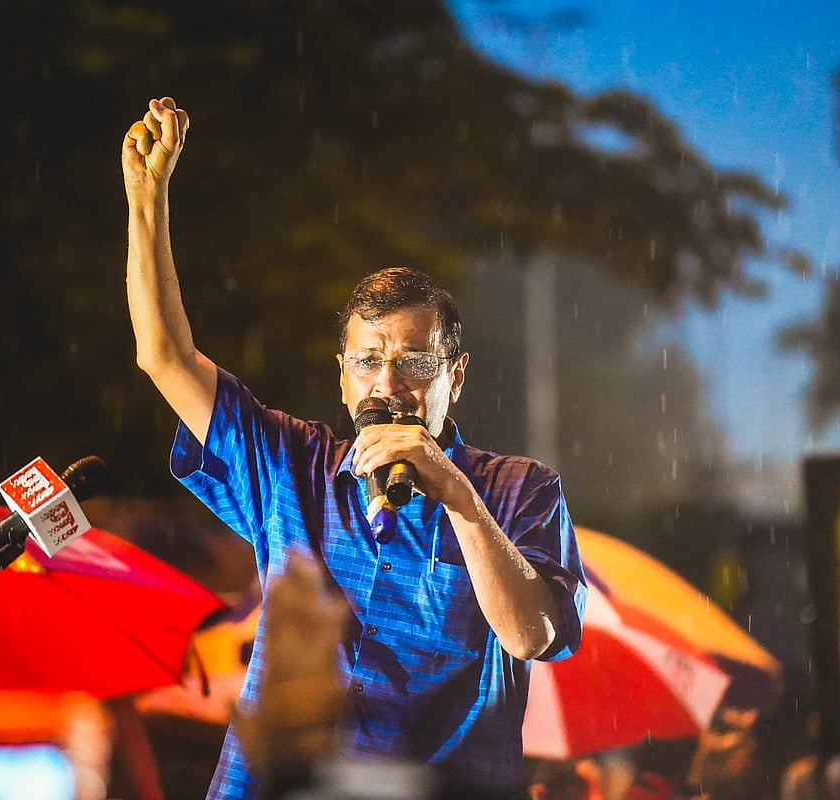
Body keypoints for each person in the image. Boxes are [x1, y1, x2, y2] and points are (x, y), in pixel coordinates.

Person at [120, 96, 587, 800]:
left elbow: (532, 636)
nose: (389, 382)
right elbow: (164, 357)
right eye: (367, 361)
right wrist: (146, 199)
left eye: (416, 362)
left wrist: (458, 496)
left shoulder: (521, 491)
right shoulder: (290, 467)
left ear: (455, 377)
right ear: (343, 380)